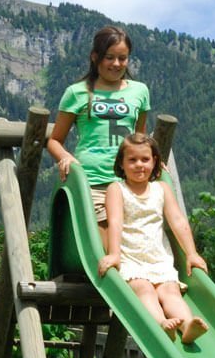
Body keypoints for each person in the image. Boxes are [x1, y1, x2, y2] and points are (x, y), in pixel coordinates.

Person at [98, 133, 209, 344]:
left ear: (155, 161)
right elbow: (115, 222)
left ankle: (186, 326)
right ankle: (160, 323)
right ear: (121, 163)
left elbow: (177, 221)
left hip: (159, 258)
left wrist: (192, 253)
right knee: (144, 289)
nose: (139, 165)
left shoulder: (162, 189)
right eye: (132, 160)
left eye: (145, 159)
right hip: (131, 258)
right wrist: (113, 255)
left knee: (170, 292)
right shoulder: (117, 189)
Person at [47, 25, 151, 242]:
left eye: (122, 58)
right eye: (109, 57)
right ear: (95, 57)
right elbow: (55, 140)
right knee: (104, 247)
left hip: (128, 181)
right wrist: (65, 157)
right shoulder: (77, 92)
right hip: (92, 181)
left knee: (133, 245)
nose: (116, 64)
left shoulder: (139, 91)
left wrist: (155, 162)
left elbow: (140, 140)